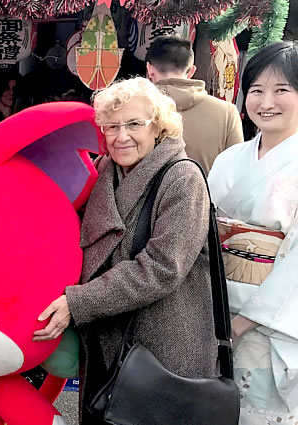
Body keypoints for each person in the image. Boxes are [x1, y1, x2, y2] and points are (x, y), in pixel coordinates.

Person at [33, 77, 217, 423]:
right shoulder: (104, 169)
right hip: (105, 337)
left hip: (161, 345)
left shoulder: (182, 178)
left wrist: (79, 301)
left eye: (134, 124)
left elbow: (162, 267)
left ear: (158, 126)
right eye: (112, 126)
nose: (121, 136)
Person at [207, 41, 298, 425]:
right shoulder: (231, 158)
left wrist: (246, 320)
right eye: (257, 90)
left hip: (272, 319)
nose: (266, 102)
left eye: (282, 90)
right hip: (214, 310)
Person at [146, 35, 243, 173]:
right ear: (191, 71)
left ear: (149, 69)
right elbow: (237, 171)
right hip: (207, 187)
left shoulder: (133, 108)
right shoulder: (227, 112)